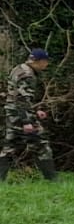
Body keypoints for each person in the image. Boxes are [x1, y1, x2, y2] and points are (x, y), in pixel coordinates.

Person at [1, 47, 56, 182]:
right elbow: (21, 99)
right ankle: (52, 180)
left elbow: (15, 95)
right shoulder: (27, 75)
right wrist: (27, 121)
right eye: (45, 62)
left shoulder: (18, 68)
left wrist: (35, 110)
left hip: (12, 113)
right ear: (39, 61)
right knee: (42, 145)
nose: (46, 65)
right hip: (21, 116)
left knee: (9, 146)